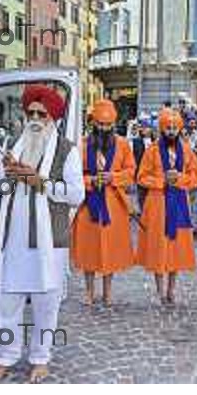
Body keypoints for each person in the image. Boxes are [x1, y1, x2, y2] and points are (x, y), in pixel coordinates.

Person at [0, 84, 85, 383]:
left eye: (42, 113)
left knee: (45, 303)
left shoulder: (67, 151)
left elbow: (76, 195)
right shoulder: (14, 145)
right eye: (31, 112)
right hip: (12, 240)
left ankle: (41, 358)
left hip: (49, 241)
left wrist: (39, 181)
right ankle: (5, 357)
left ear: (53, 117)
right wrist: (3, 171)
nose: (36, 118)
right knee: (7, 300)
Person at [71, 99, 136, 307]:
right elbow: (72, 176)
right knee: (88, 249)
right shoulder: (81, 145)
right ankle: (89, 291)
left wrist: (113, 178)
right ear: (93, 124)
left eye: (108, 125)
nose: (104, 128)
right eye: (100, 124)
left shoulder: (124, 145)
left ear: (114, 125)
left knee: (111, 250)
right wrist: (90, 181)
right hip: (88, 205)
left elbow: (131, 173)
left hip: (114, 205)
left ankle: (108, 292)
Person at [137, 108, 197, 304]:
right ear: (162, 130)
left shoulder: (187, 150)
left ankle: (172, 289)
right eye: (168, 128)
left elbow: (196, 177)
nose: (171, 132)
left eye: (174, 128)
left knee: (176, 248)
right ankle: (159, 290)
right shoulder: (152, 151)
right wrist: (161, 181)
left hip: (179, 204)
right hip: (157, 204)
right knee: (158, 247)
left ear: (179, 129)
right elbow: (141, 178)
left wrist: (180, 179)